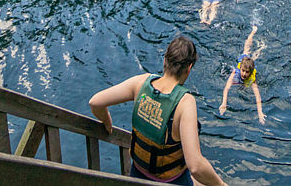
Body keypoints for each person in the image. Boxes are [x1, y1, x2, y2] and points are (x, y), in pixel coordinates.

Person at [89, 36, 227, 186]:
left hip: (137, 175)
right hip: (172, 181)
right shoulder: (185, 102)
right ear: (189, 68)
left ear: (164, 61)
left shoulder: (141, 83)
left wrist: (107, 120)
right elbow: (195, 166)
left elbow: (95, 102)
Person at [219, 25, 267, 124]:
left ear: (250, 73)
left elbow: (257, 97)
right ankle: (252, 33)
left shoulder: (252, 80)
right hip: (244, 60)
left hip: (250, 65)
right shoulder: (235, 73)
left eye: (247, 72)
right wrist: (224, 103)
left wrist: (260, 113)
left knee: (254, 58)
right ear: (240, 68)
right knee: (246, 50)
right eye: (243, 71)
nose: (244, 74)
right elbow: (227, 88)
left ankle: (260, 48)